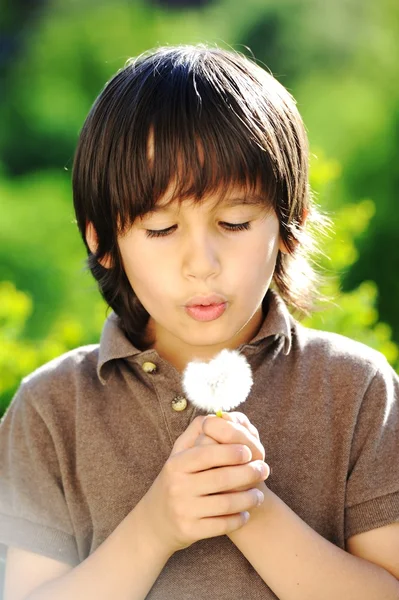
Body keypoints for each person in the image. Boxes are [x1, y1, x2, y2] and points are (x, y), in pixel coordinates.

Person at [1, 44, 398, 600]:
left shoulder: (358, 390)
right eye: (161, 229)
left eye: (234, 222)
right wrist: (154, 528)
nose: (201, 264)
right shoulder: (51, 410)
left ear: (290, 226)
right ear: (103, 241)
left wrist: (250, 510)